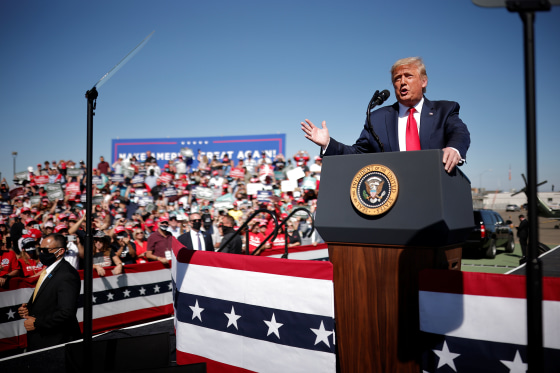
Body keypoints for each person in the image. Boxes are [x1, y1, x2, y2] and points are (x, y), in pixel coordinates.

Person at [301, 56, 470, 173]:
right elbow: (358, 154)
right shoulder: (377, 119)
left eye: (408, 76)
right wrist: (328, 144)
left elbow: (459, 133)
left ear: (423, 81)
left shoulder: (444, 110)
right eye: (397, 78)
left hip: (435, 190)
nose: (402, 82)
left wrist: (454, 149)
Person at [17, 233, 82, 351]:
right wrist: (29, 308)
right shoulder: (49, 270)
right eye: (40, 249)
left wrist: (37, 323)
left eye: (46, 250)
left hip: (56, 343)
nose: (41, 253)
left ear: (61, 251)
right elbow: (48, 298)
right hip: (42, 340)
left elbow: (66, 313)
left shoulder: (67, 274)